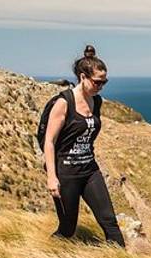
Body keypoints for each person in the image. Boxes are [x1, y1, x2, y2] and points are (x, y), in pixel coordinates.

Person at [43, 45, 125, 246]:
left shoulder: (96, 102)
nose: (101, 86)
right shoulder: (64, 103)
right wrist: (52, 177)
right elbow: (49, 142)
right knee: (68, 229)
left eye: (104, 82)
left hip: (89, 170)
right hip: (66, 174)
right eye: (97, 82)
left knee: (110, 223)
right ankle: (45, 254)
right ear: (83, 77)